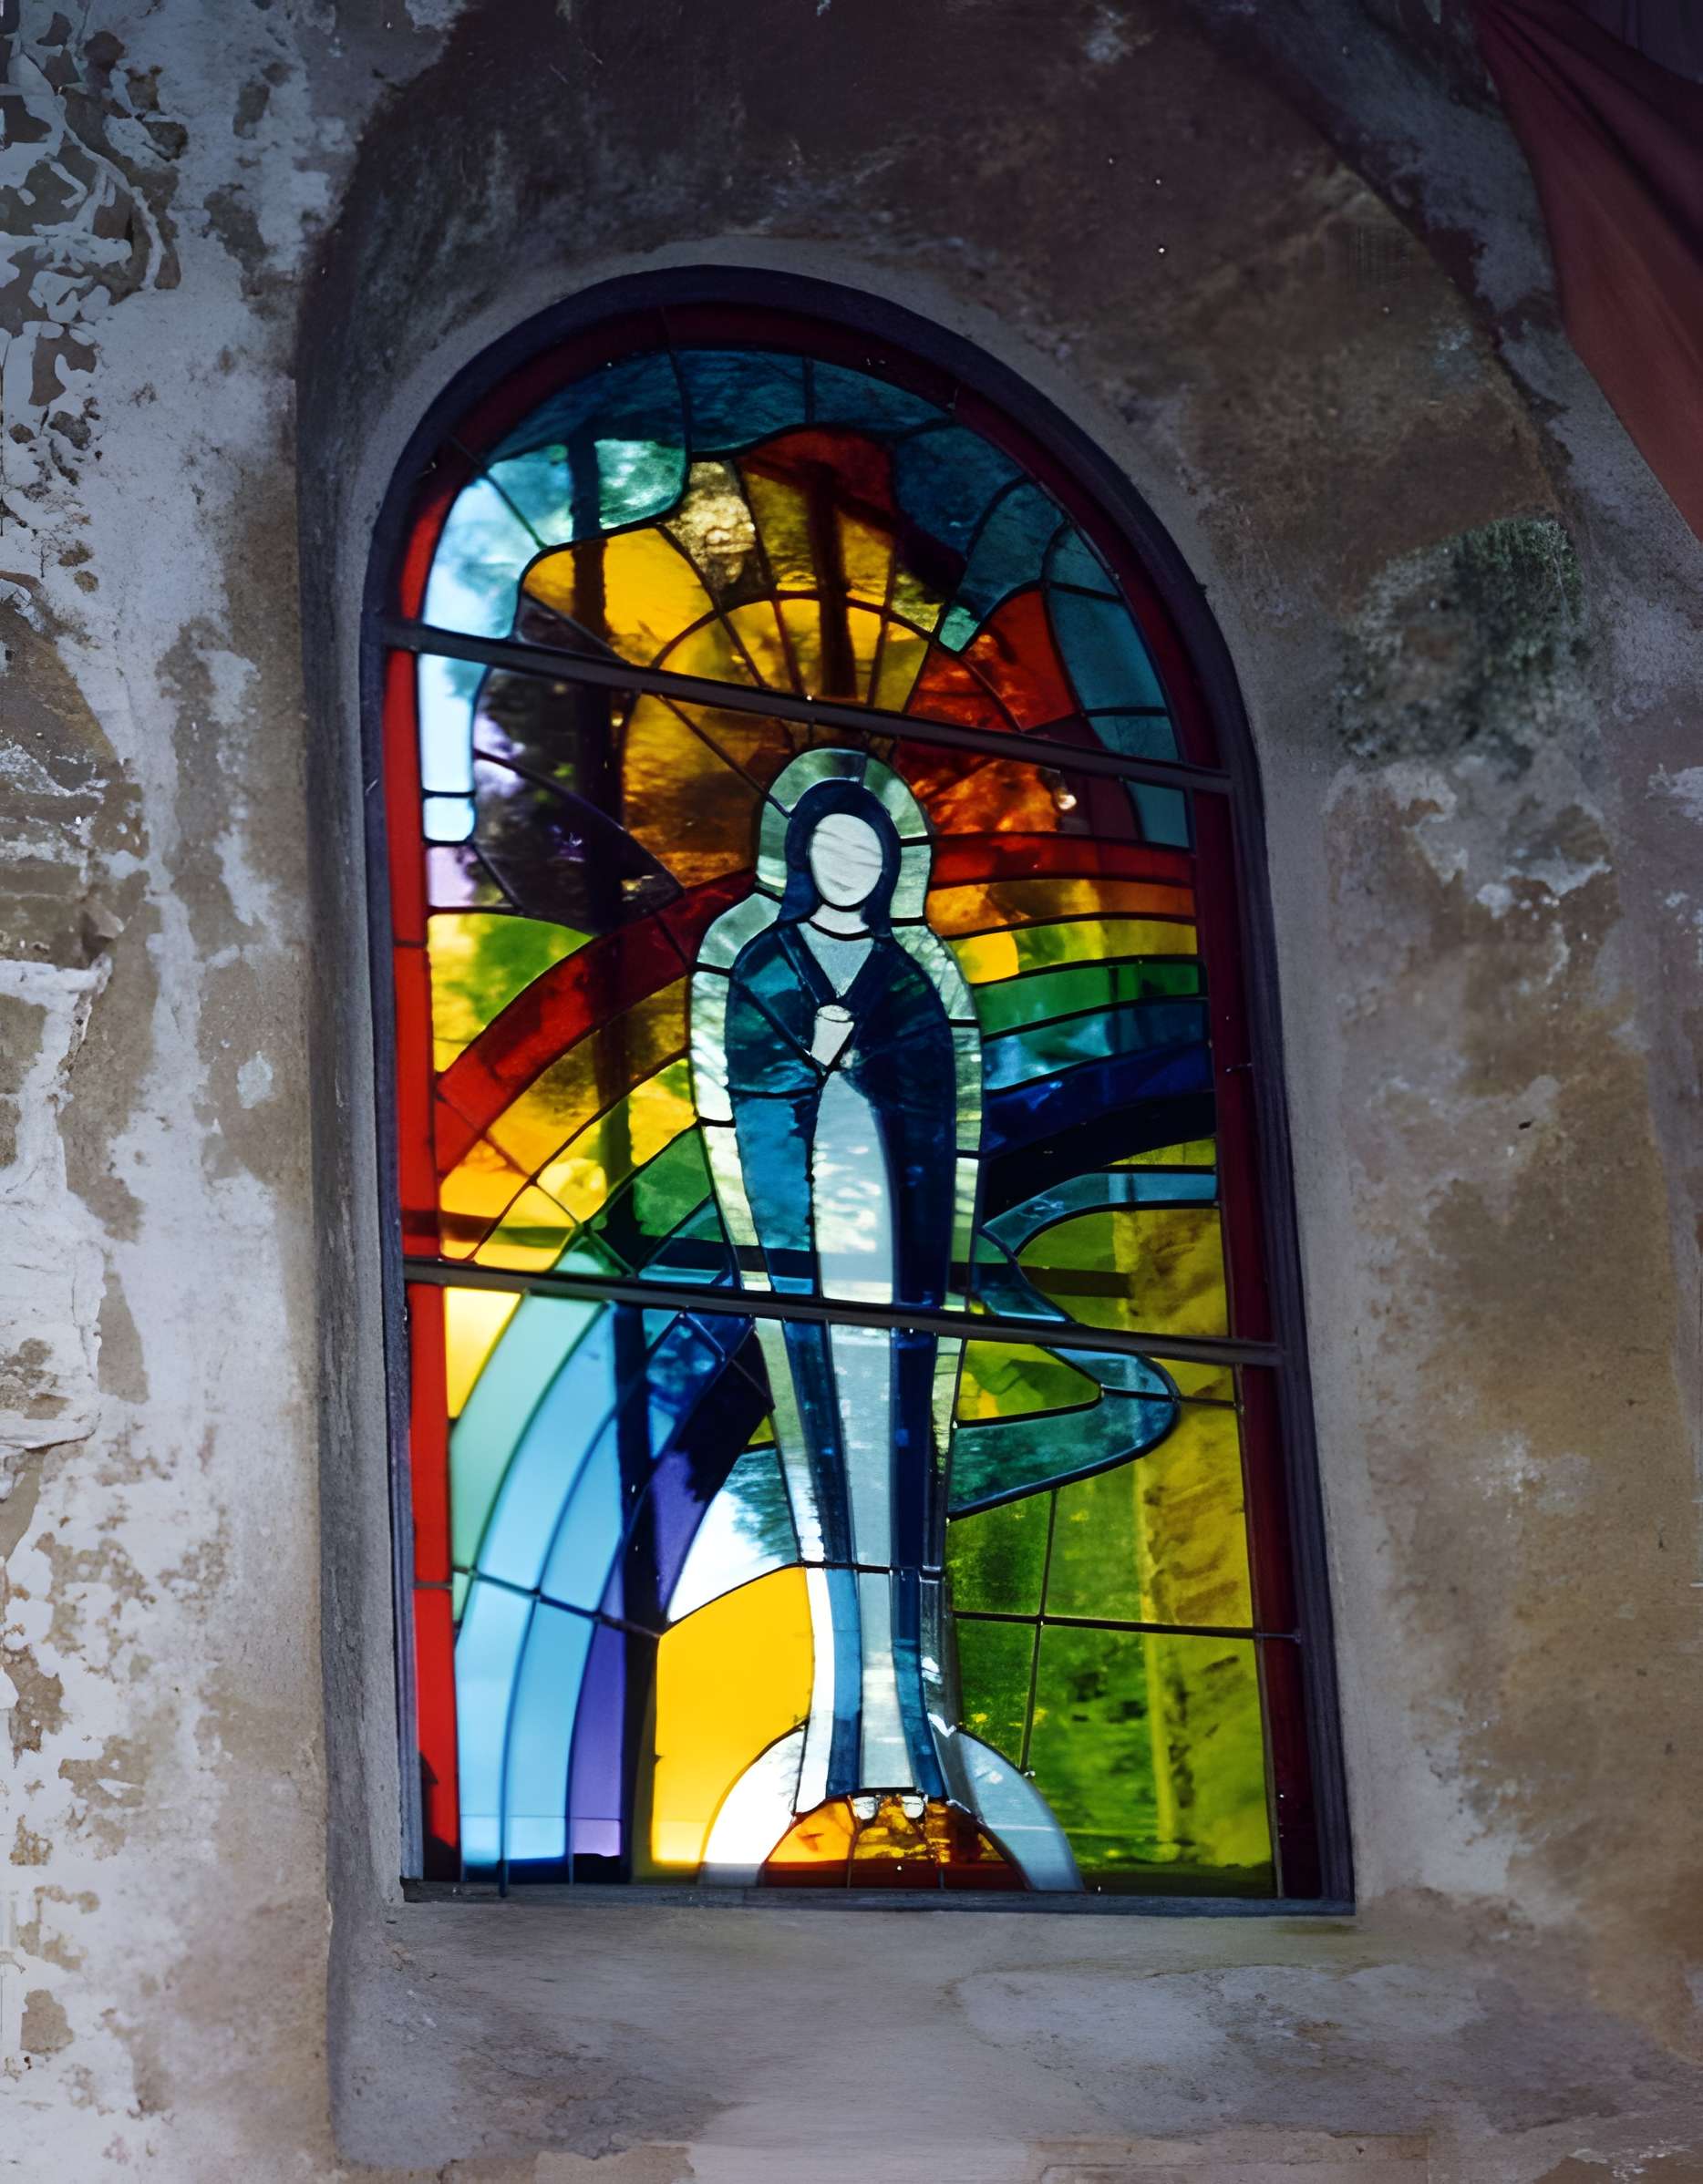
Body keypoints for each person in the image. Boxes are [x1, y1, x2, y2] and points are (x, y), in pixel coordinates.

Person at [689, 750, 1080, 1888]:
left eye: (867, 850)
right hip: (808, 1240)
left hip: (897, 1254)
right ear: (801, 861)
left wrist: (858, 1061)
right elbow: (747, 1097)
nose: (850, 865)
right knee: (826, 1442)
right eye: (831, 849)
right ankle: (848, 1709)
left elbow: (935, 1111)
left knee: (903, 1451)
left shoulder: (911, 980)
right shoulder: (762, 961)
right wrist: (803, 1069)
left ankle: (908, 1708)